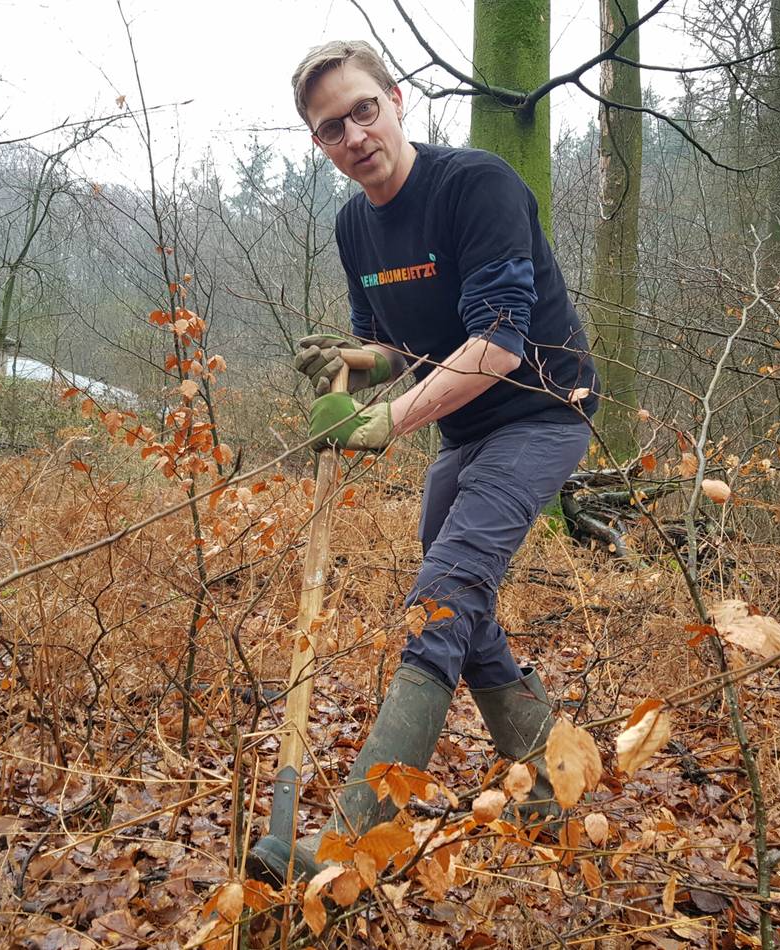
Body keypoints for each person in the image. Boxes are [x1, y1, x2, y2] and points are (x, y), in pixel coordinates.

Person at [249, 40, 599, 883]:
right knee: (460, 602)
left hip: (545, 408)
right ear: (319, 144)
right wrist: (350, 360)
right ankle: (558, 784)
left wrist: (384, 424)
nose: (355, 134)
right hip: (466, 427)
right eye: (332, 127)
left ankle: (344, 841)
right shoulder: (350, 224)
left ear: (397, 100)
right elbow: (396, 343)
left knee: (441, 597)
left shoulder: (474, 185)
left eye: (364, 110)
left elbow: (502, 342)